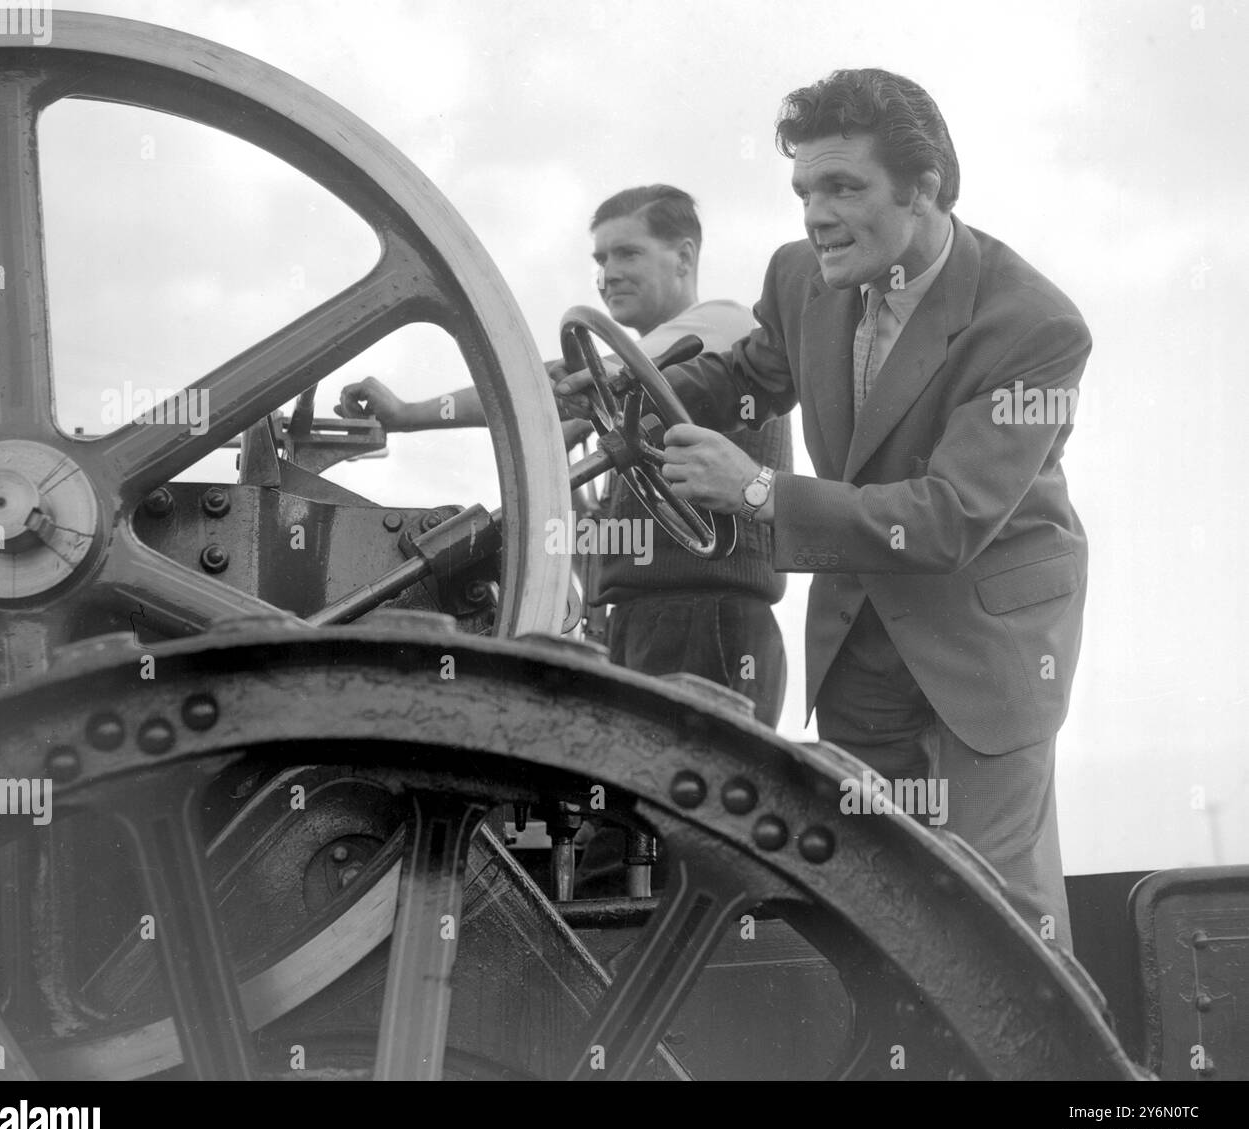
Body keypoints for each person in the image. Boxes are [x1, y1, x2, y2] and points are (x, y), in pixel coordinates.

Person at [559, 71, 1088, 950]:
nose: (815, 213)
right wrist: (623, 400)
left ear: (923, 190)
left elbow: (948, 517)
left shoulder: (1033, 325)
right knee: (872, 894)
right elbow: (744, 375)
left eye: (845, 187)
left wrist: (757, 492)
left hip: (985, 640)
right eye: (805, 189)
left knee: (1001, 924)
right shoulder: (804, 277)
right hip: (862, 629)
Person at [338, 185, 790, 729]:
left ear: (686, 256)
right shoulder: (630, 391)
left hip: (704, 620)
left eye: (628, 253)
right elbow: (555, 406)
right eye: (601, 259)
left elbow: (556, 385)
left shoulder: (724, 324)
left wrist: (412, 412)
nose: (608, 274)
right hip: (643, 620)